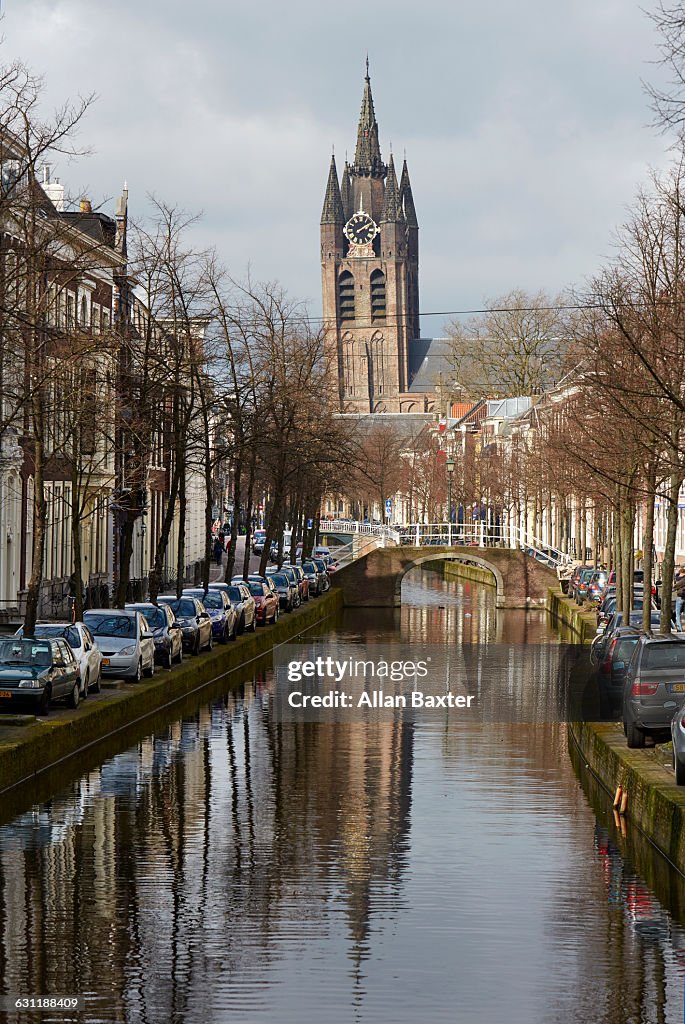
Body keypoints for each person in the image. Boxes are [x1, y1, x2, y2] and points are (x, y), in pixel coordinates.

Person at [674, 566, 685, 631]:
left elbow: (675, 586)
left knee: (677, 614)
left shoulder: (679, 579)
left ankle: (680, 629)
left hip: (680, 597)